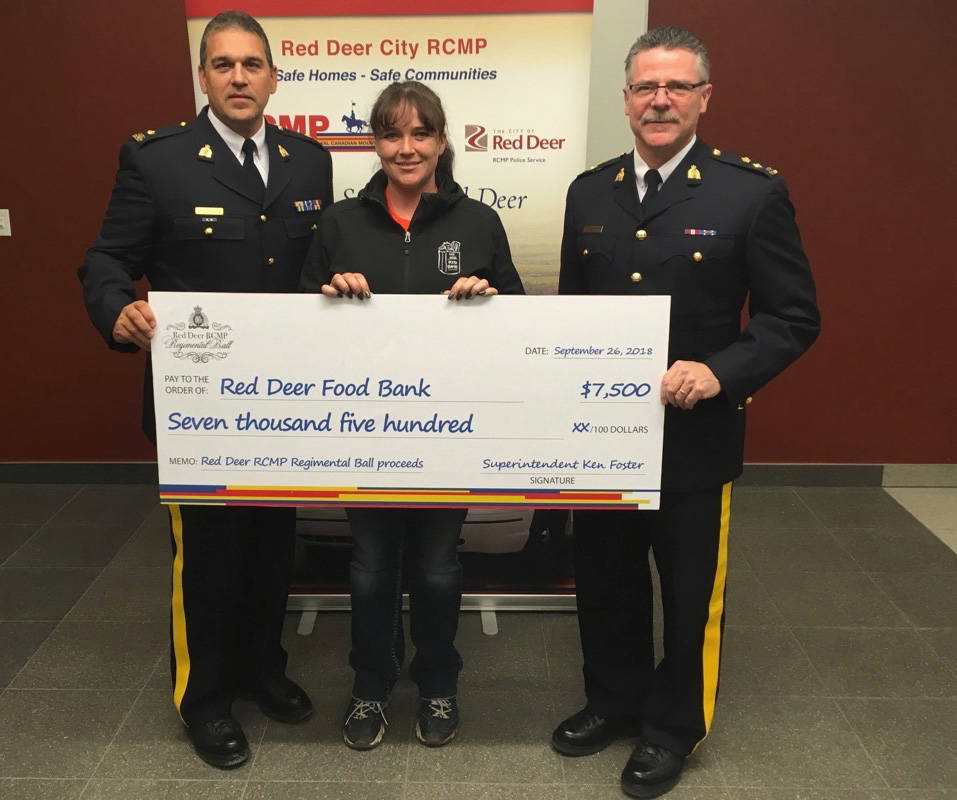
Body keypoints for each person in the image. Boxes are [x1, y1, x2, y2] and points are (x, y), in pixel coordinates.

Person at [551, 26, 820, 798]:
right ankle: (613, 699)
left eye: (675, 87)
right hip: (599, 437)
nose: (658, 100)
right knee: (605, 579)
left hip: (693, 438)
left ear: (703, 98)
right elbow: (572, 316)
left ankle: (672, 727)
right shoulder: (587, 191)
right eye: (644, 87)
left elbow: (791, 316)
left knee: (688, 587)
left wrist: (720, 371)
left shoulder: (750, 192)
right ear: (626, 99)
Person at [78, 10, 333, 769]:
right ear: (204, 77)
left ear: (273, 75)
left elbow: (316, 269)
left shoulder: (308, 160)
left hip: (284, 406)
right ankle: (206, 697)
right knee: (209, 558)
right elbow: (104, 260)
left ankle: (262, 669)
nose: (238, 77)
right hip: (203, 410)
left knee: (270, 547)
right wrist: (115, 308)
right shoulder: (157, 161)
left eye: (252, 64)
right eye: (222, 65)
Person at [300, 80, 524, 750]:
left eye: (419, 133)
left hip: (446, 435)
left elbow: (518, 319)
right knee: (369, 565)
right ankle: (369, 688)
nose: (406, 147)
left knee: (434, 567)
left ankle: (437, 683)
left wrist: (487, 297)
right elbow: (293, 318)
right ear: (374, 142)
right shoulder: (339, 223)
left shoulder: (477, 222)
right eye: (392, 134)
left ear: (441, 140)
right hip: (365, 434)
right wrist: (326, 295)